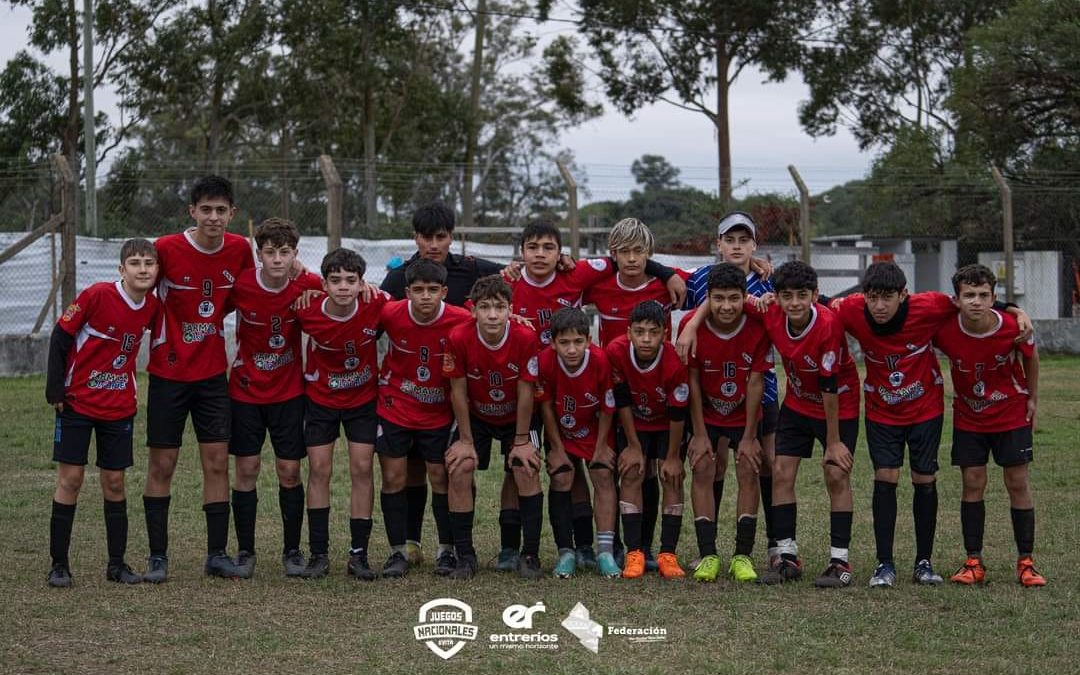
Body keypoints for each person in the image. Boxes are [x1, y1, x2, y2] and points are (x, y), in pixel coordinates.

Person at [826, 261, 1032, 588]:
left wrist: (1014, 308)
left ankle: (924, 562)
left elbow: (970, 300)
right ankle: (885, 564)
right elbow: (819, 304)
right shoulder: (850, 309)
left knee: (924, 478)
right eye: (873, 297)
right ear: (863, 296)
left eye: (888, 297)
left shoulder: (929, 305)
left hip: (925, 408)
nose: (879, 306)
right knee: (886, 477)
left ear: (904, 295)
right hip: (881, 410)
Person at [379, 202, 518, 568]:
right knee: (407, 472)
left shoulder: (469, 271)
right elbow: (370, 315)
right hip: (405, 395)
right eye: (427, 237)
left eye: (441, 237)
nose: (434, 244)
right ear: (416, 238)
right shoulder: (397, 281)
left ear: (452, 239)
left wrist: (514, 314)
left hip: (452, 397)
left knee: (446, 469)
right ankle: (407, 545)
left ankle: (452, 546)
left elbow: (500, 288)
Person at [142, 176, 255, 582]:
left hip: (211, 376)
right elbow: (137, 291)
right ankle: (158, 557)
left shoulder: (242, 250)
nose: (213, 217)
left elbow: (256, 292)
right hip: (168, 374)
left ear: (232, 215)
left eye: (220, 210)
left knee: (216, 462)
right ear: (192, 212)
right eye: (205, 209)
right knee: (163, 463)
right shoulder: (166, 249)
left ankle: (216, 554)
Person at [738, 261, 861, 587]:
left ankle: (840, 563)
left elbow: (830, 386)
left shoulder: (828, 325)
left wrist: (834, 441)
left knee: (836, 473)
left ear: (815, 295)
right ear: (776, 297)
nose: (794, 302)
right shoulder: (771, 314)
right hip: (797, 403)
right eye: (786, 295)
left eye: (802, 295)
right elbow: (739, 299)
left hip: (838, 404)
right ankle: (787, 556)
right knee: (780, 472)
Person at [45, 239, 161, 587]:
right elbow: (60, 337)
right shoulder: (97, 295)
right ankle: (59, 564)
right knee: (71, 480)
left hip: (119, 407)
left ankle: (116, 565)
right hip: (77, 403)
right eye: (135, 263)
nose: (143, 269)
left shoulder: (152, 306)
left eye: (149, 263)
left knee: (114, 482)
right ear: (121, 269)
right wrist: (55, 389)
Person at [678, 211, 780, 568]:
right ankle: (709, 551)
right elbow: (676, 285)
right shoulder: (701, 279)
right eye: (729, 240)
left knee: (763, 464)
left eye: (744, 241)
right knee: (712, 464)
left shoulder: (769, 280)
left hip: (758, 389)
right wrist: (691, 324)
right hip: (711, 390)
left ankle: (772, 545)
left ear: (754, 245)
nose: (737, 246)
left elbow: (783, 307)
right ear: (718, 244)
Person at [933, 264, 1045, 587]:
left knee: (1017, 481)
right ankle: (973, 561)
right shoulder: (945, 330)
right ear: (956, 299)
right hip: (969, 416)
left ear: (994, 297)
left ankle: (1026, 562)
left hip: (1010, 413)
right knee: (972, 482)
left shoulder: (1014, 326)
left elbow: (1031, 358)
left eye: (984, 295)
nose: (976, 301)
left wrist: (1033, 398)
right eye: (969, 295)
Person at [227, 218, 322, 578]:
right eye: (270, 252)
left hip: (289, 392)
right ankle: (246, 550)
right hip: (246, 391)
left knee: (289, 470)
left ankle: (292, 550)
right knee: (247, 469)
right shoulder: (242, 285)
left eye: (285, 253)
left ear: (295, 255)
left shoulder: (308, 285)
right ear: (259, 254)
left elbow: (341, 289)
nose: (278, 259)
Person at [375, 259, 473, 578]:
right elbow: (359, 309)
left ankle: (446, 550)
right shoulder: (390, 313)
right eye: (418, 290)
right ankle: (398, 551)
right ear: (407, 293)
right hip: (396, 404)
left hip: (438, 411)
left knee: (439, 474)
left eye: (433, 290)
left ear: (444, 291)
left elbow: (490, 321)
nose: (426, 296)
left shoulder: (461, 320)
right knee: (394, 477)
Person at [443, 275, 544, 579]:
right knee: (460, 466)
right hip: (477, 416)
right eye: (484, 307)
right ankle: (465, 555)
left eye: (499, 307)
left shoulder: (526, 337)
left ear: (510, 310)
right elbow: (457, 391)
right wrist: (465, 439)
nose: (491, 314)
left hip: (518, 417)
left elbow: (527, 391)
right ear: (472, 310)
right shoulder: (458, 337)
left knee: (524, 467)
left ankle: (528, 554)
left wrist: (523, 439)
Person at [605, 300, 689, 579]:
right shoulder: (616, 352)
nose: (646, 339)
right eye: (639, 332)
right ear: (629, 332)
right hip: (635, 424)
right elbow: (623, 400)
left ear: (664, 335)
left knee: (672, 477)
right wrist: (633, 446)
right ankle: (635, 553)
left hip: (668, 425)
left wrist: (674, 456)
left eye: (653, 332)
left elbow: (678, 412)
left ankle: (667, 553)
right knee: (631, 473)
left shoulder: (674, 362)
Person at [535, 307, 620, 578]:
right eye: (564, 342)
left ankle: (605, 552)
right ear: (553, 342)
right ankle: (566, 552)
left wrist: (601, 449)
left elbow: (608, 407)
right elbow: (546, 406)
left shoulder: (600, 361)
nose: (572, 349)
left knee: (603, 475)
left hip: (595, 429)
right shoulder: (545, 361)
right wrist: (557, 449)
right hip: (562, 429)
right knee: (563, 479)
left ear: (588, 340)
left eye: (578, 342)